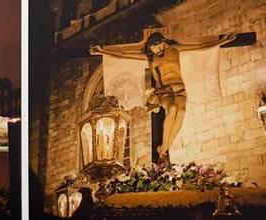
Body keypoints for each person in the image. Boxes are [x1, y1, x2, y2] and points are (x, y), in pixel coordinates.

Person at [91, 32, 234, 164]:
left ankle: (163, 149)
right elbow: (124, 54)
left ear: (163, 41)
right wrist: (102, 51)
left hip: (180, 88)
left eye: (158, 46)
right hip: (163, 91)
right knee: (172, 109)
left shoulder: (174, 48)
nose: (157, 50)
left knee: (182, 111)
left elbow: (199, 46)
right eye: (153, 48)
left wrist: (221, 42)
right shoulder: (150, 58)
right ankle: (163, 148)